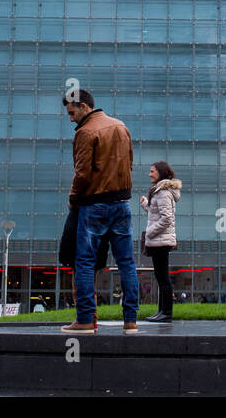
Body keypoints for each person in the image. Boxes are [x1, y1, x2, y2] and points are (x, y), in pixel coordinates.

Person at [60, 88, 140, 334]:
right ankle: (131, 321)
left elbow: (82, 173)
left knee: (84, 261)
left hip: (94, 205)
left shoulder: (86, 132)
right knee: (126, 261)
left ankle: (84, 320)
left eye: (72, 113)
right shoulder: (121, 126)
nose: (71, 118)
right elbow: (130, 163)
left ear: (84, 106)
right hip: (122, 204)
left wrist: (73, 198)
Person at [140, 160, 182, 323]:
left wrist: (150, 232)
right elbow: (157, 213)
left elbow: (166, 218)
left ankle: (166, 313)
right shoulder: (160, 191)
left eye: (152, 171)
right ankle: (162, 312)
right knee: (161, 277)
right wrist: (145, 204)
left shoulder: (163, 192)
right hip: (159, 240)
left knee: (163, 278)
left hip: (161, 241)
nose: (150, 174)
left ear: (161, 173)